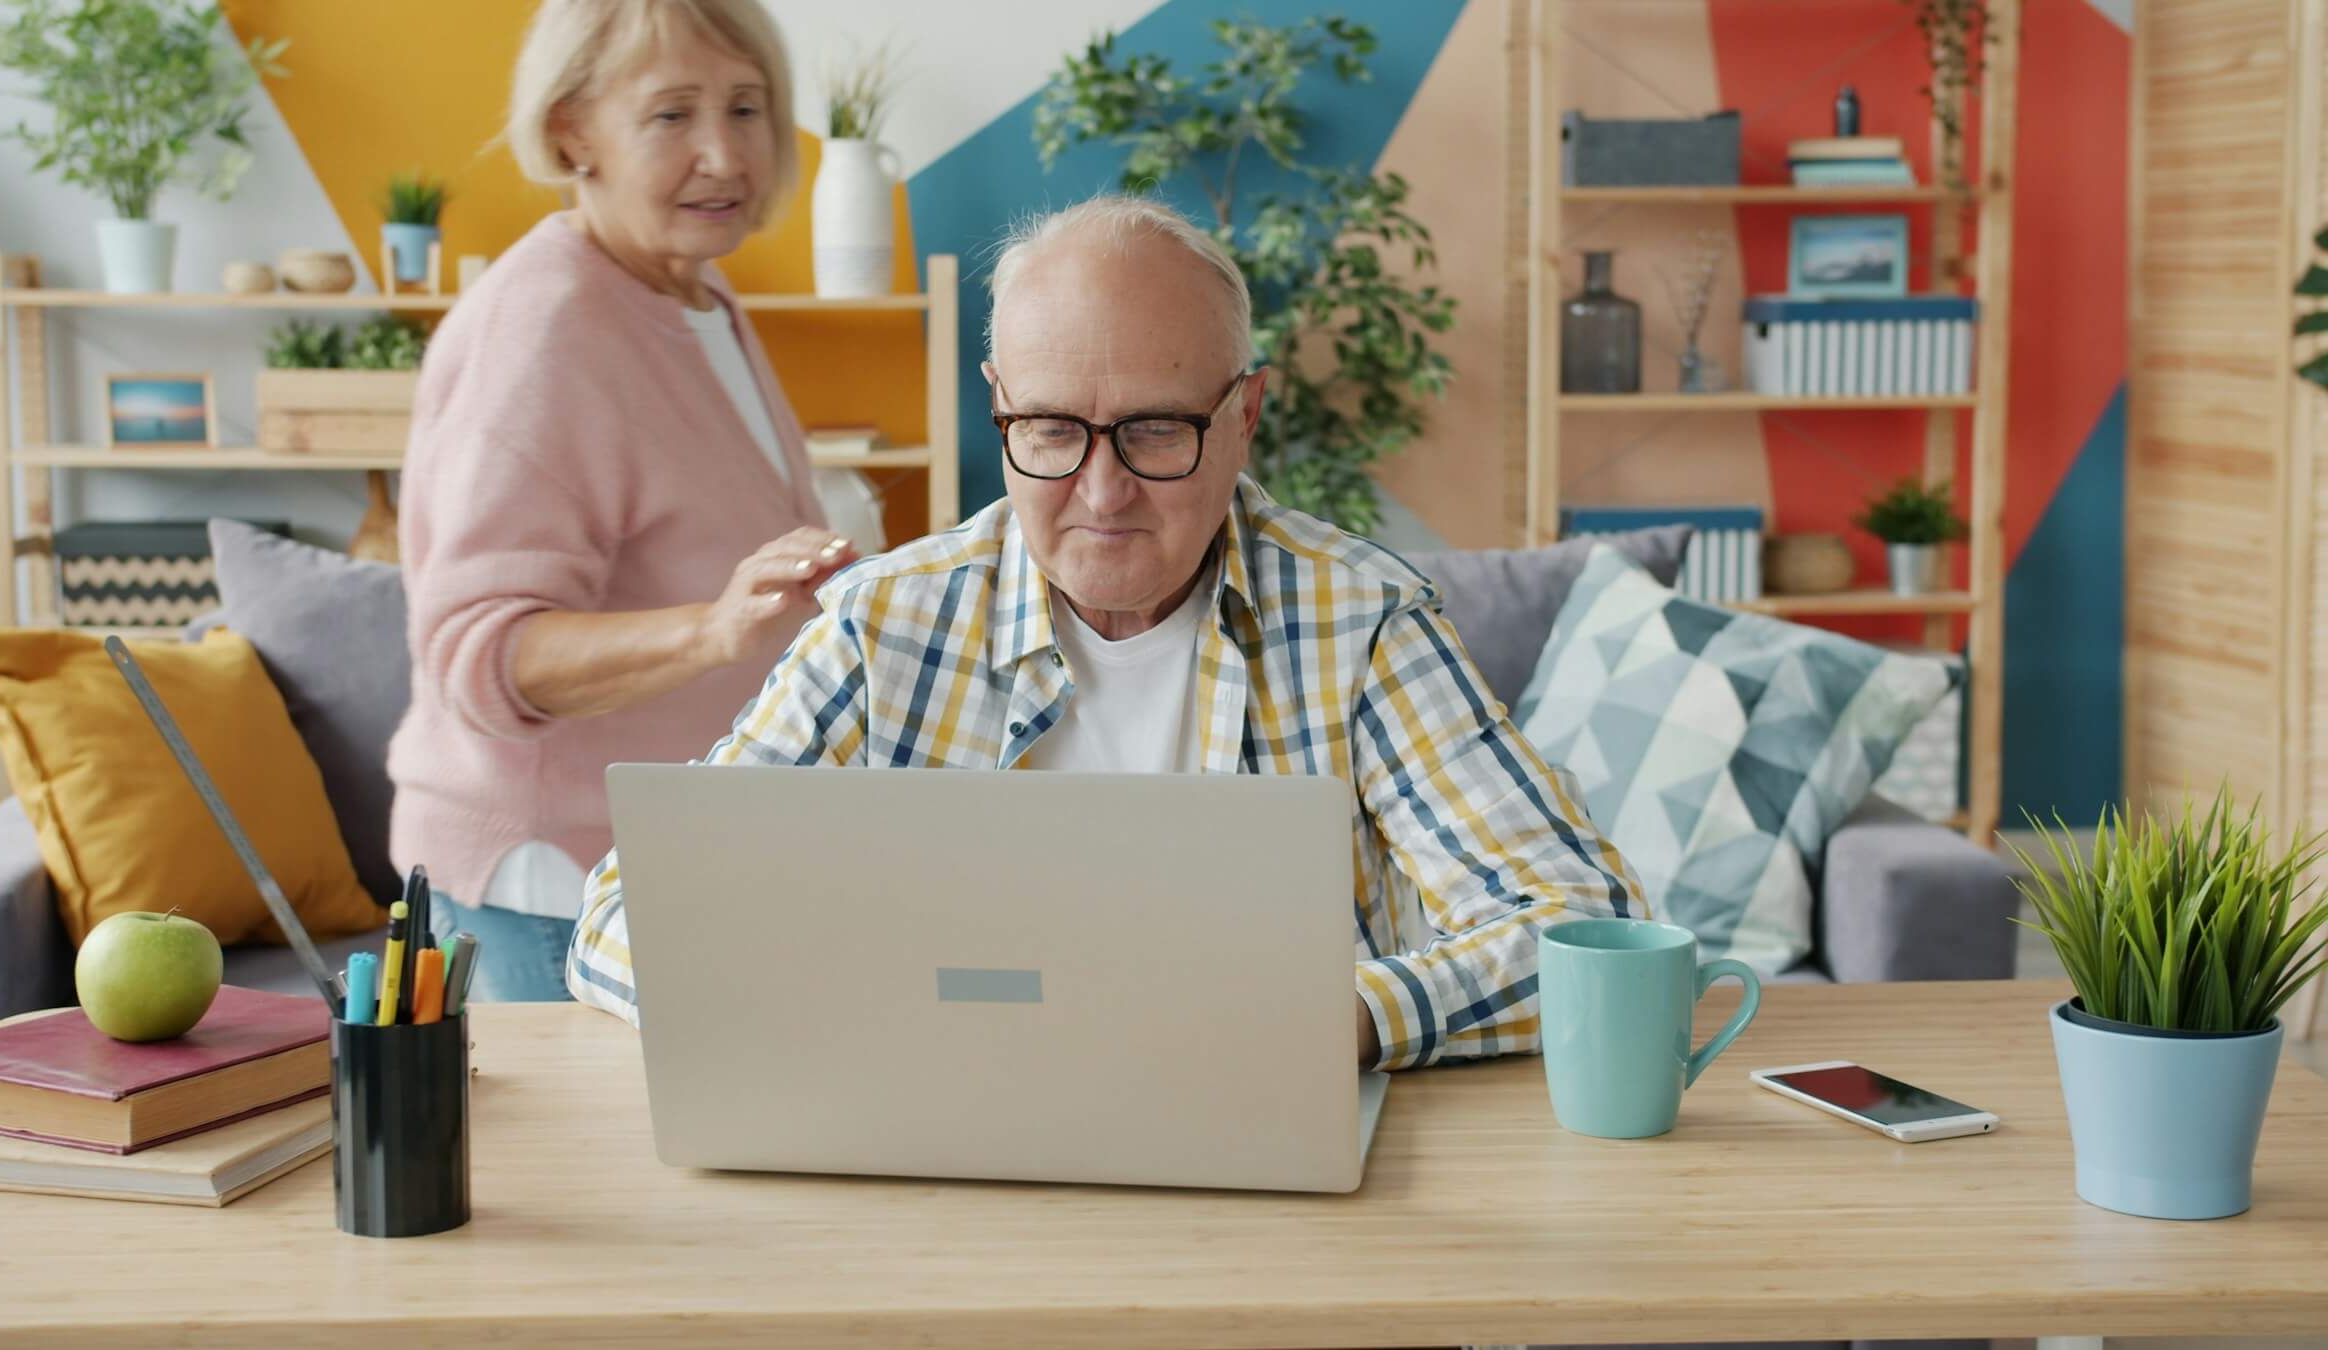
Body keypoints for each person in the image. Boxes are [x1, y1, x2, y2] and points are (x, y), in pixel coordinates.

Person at [568, 196, 1646, 1071]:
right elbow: (628, 917)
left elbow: (1586, 928)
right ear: (998, 406)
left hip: (1264, 1172)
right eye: (1049, 430)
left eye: (1153, 430)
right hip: (938, 1159)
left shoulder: (1361, 622)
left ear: (1244, 416)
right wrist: (842, 1021)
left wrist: (1356, 1017)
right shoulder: (883, 624)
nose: (1102, 492)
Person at [387, 0, 857, 1001]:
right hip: (548, 888)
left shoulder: (694, 295)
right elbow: (481, 651)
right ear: (572, 131)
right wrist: (709, 631)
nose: (727, 156)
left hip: (662, 863)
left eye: (746, 108)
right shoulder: (545, 326)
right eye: (672, 116)